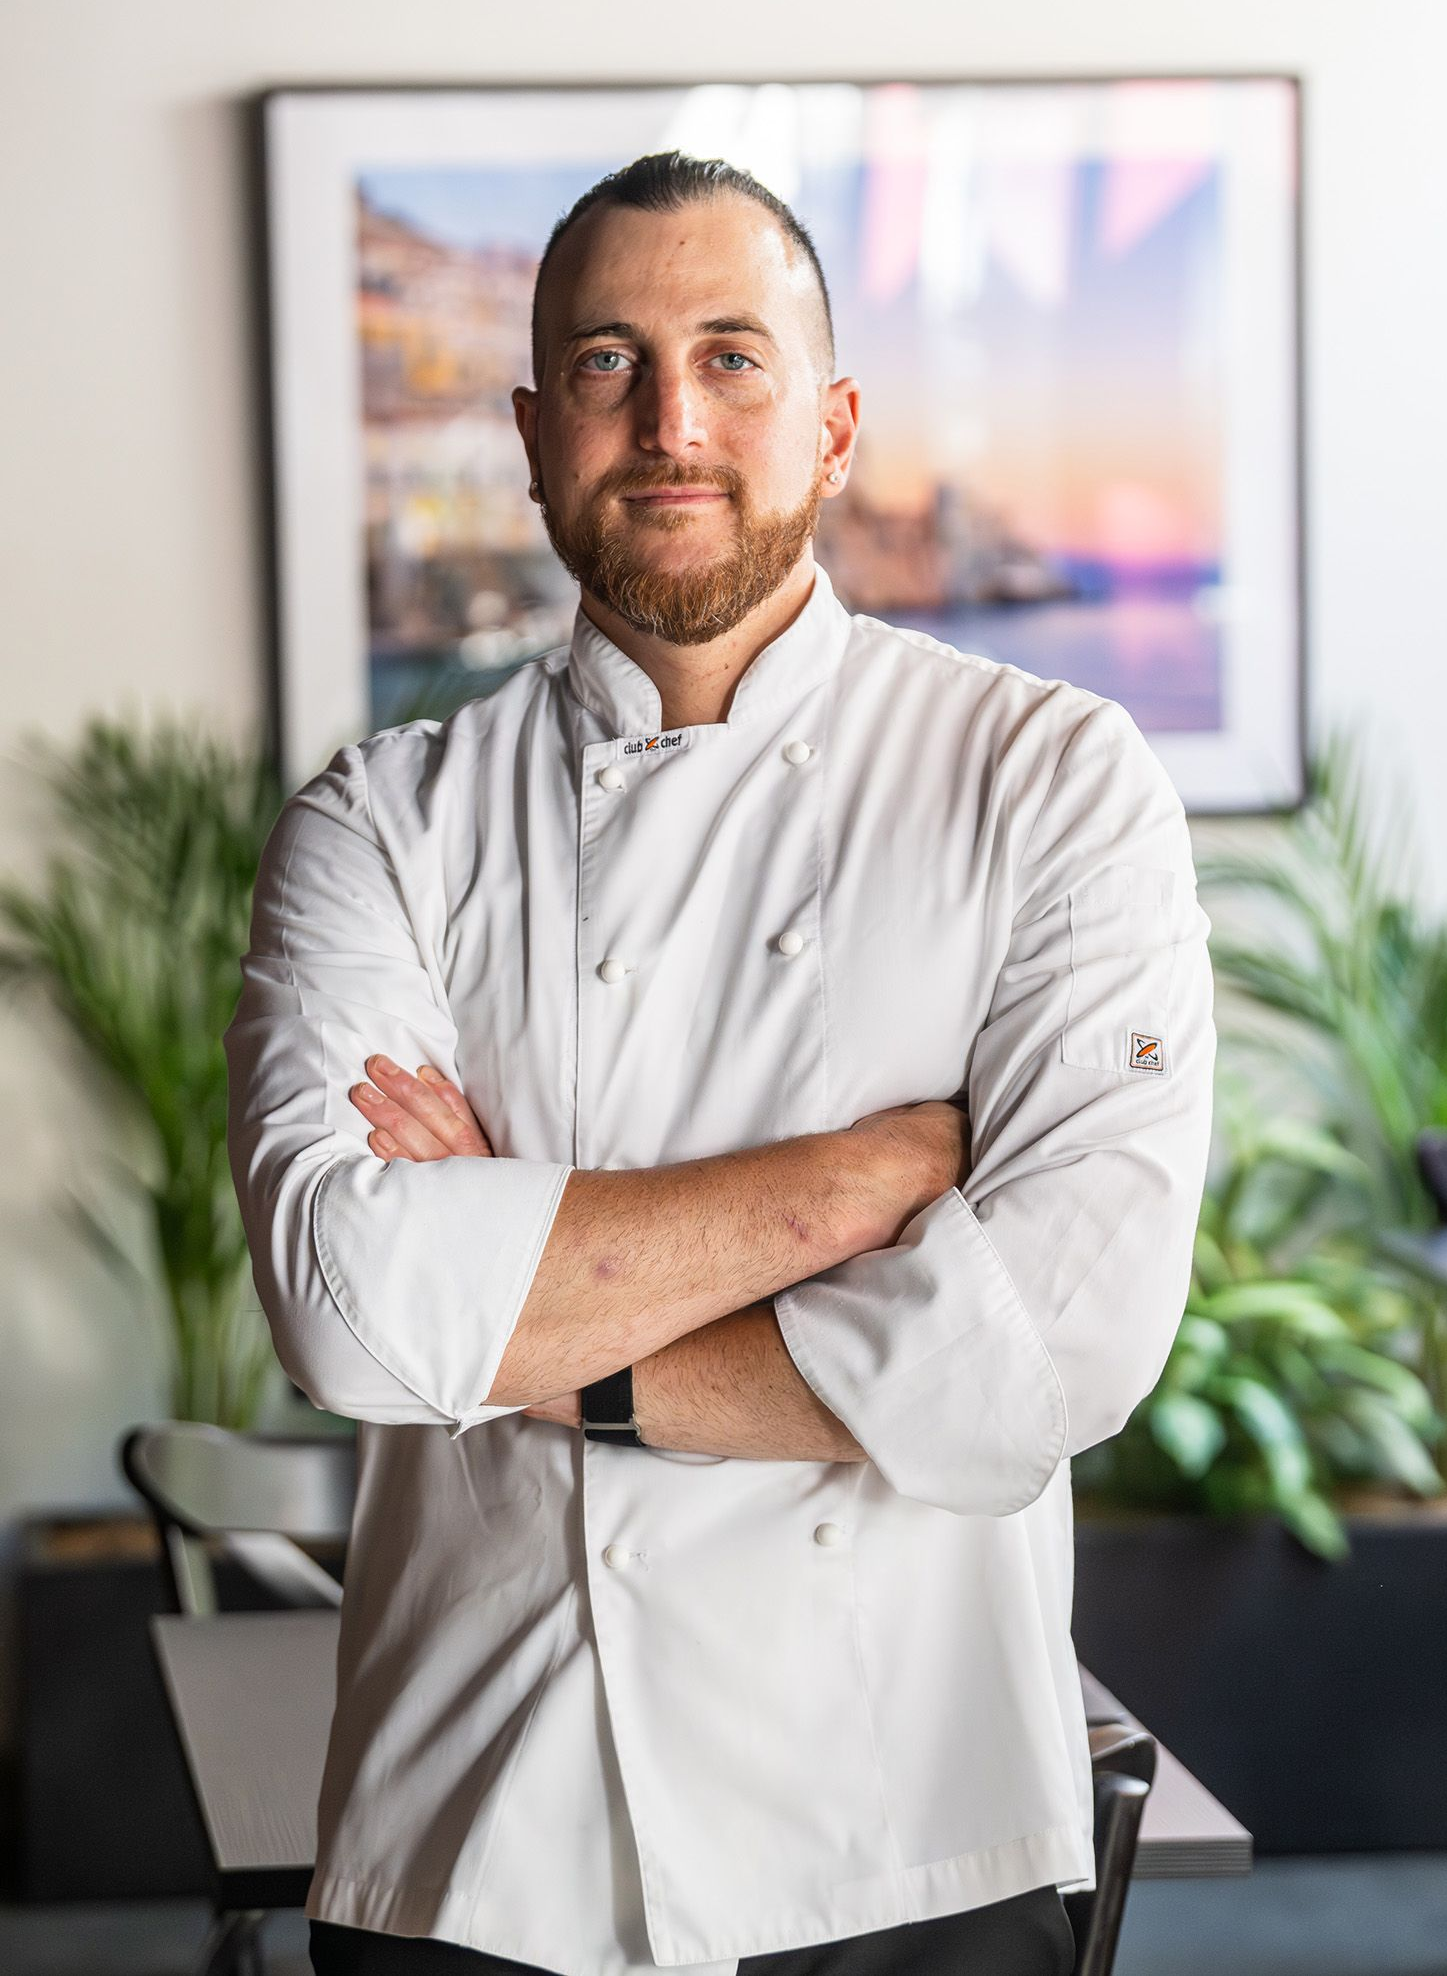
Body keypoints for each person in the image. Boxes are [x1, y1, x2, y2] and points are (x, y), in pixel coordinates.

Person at [224, 150, 1216, 1976]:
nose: (670, 421)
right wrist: (850, 1190)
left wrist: (539, 1348)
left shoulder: (1048, 781)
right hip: (479, 1837)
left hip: (907, 1833)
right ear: (534, 435)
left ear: (832, 427)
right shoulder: (383, 819)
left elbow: (1059, 1343)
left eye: (732, 358)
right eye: (606, 363)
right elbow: (352, 1313)